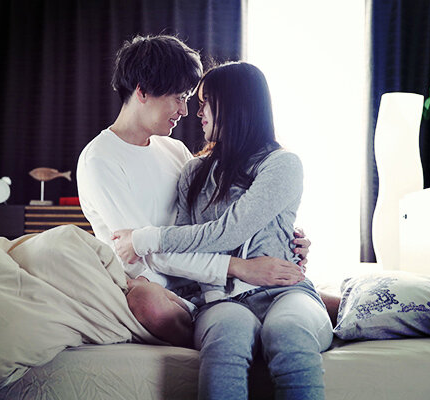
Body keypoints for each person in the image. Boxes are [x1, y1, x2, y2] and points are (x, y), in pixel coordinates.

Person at [113, 62, 334, 399]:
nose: (197, 112)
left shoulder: (282, 164)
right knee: (228, 336)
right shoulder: (193, 172)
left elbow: (229, 230)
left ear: (235, 106)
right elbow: (184, 248)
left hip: (285, 292)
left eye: (206, 103)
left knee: (288, 331)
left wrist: (143, 238)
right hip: (219, 299)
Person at [76, 35, 311, 348]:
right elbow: (148, 251)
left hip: (206, 281)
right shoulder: (100, 159)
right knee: (147, 300)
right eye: (178, 98)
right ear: (142, 92)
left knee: (306, 301)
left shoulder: (174, 150)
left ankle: (261, 324)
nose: (185, 111)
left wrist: (283, 237)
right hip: (159, 286)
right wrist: (239, 268)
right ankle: (237, 336)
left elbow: (213, 217)